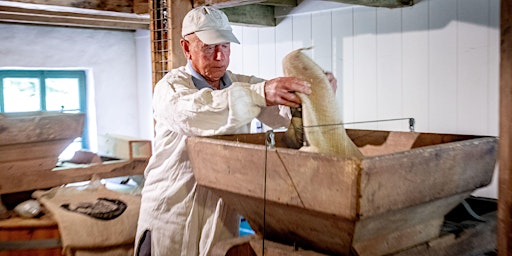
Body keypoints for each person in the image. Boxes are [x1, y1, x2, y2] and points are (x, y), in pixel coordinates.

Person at [134, 6, 337, 256]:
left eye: (225, 46)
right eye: (209, 47)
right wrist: (260, 94)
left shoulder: (244, 85)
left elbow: (280, 116)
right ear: (186, 47)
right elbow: (198, 114)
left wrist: (309, 94)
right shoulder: (170, 89)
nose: (220, 56)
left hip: (220, 209)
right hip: (173, 207)